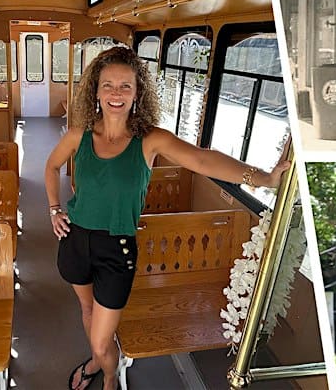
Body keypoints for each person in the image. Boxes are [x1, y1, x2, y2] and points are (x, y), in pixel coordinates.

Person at [45, 47, 289, 390]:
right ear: (95, 91)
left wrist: (263, 178)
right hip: (74, 243)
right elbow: (51, 166)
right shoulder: (78, 135)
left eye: (125, 86)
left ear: (138, 92)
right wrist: (55, 208)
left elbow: (203, 161)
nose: (116, 94)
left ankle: (110, 375)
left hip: (116, 250)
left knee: (102, 339)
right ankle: (97, 362)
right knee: (88, 312)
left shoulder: (150, 140)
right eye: (108, 85)